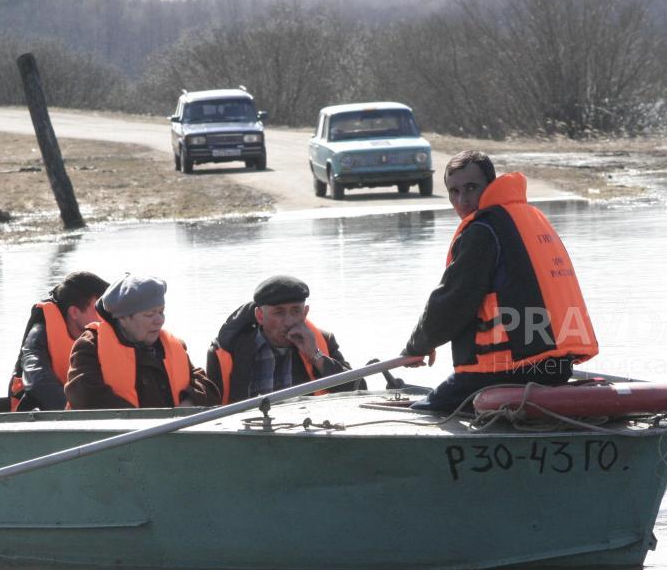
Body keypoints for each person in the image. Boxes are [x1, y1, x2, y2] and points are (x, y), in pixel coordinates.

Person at [402, 151, 599, 413]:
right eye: (454, 191)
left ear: (491, 185)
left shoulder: (482, 231)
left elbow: (451, 302)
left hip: (503, 370)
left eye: (472, 188)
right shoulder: (529, 218)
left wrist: (418, 345)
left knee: (424, 411)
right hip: (555, 368)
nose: (463, 200)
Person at [65, 274, 221, 409]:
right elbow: (84, 396)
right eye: (149, 314)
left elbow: (208, 388)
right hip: (118, 439)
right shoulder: (90, 346)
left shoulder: (173, 345)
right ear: (123, 318)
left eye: (161, 312)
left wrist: (190, 403)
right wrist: (142, 421)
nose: (159, 320)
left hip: (170, 437)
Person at [206, 275, 361, 404]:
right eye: (279, 312)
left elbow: (359, 391)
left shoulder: (323, 341)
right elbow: (208, 410)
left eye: (296, 311)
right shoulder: (227, 350)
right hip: (248, 437)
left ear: (305, 313)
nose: (288, 321)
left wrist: (315, 356)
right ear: (260, 316)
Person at [7, 271, 109, 412]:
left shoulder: (109, 331)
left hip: (86, 410)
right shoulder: (39, 335)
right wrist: (71, 412)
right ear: (74, 312)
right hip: (40, 416)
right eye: (99, 308)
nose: (106, 315)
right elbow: (37, 379)